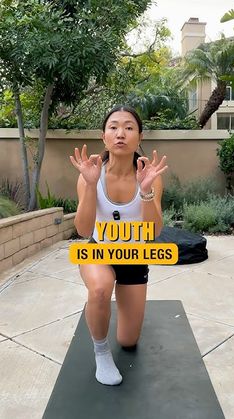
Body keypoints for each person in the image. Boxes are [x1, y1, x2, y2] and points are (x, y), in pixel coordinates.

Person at [70, 105, 168, 386]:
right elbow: (84, 229)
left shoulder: (150, 175)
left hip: (134, 255)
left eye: (128, 127)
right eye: (113, 127)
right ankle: (101, 352)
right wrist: (90, 186)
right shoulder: (90, 174)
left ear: (139, 136)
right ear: (104, 137)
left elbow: (153, 231)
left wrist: (146, 190)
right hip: (98, 249)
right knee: (100, 288)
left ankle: (111, 315)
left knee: (127, 341)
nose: (120, 133)